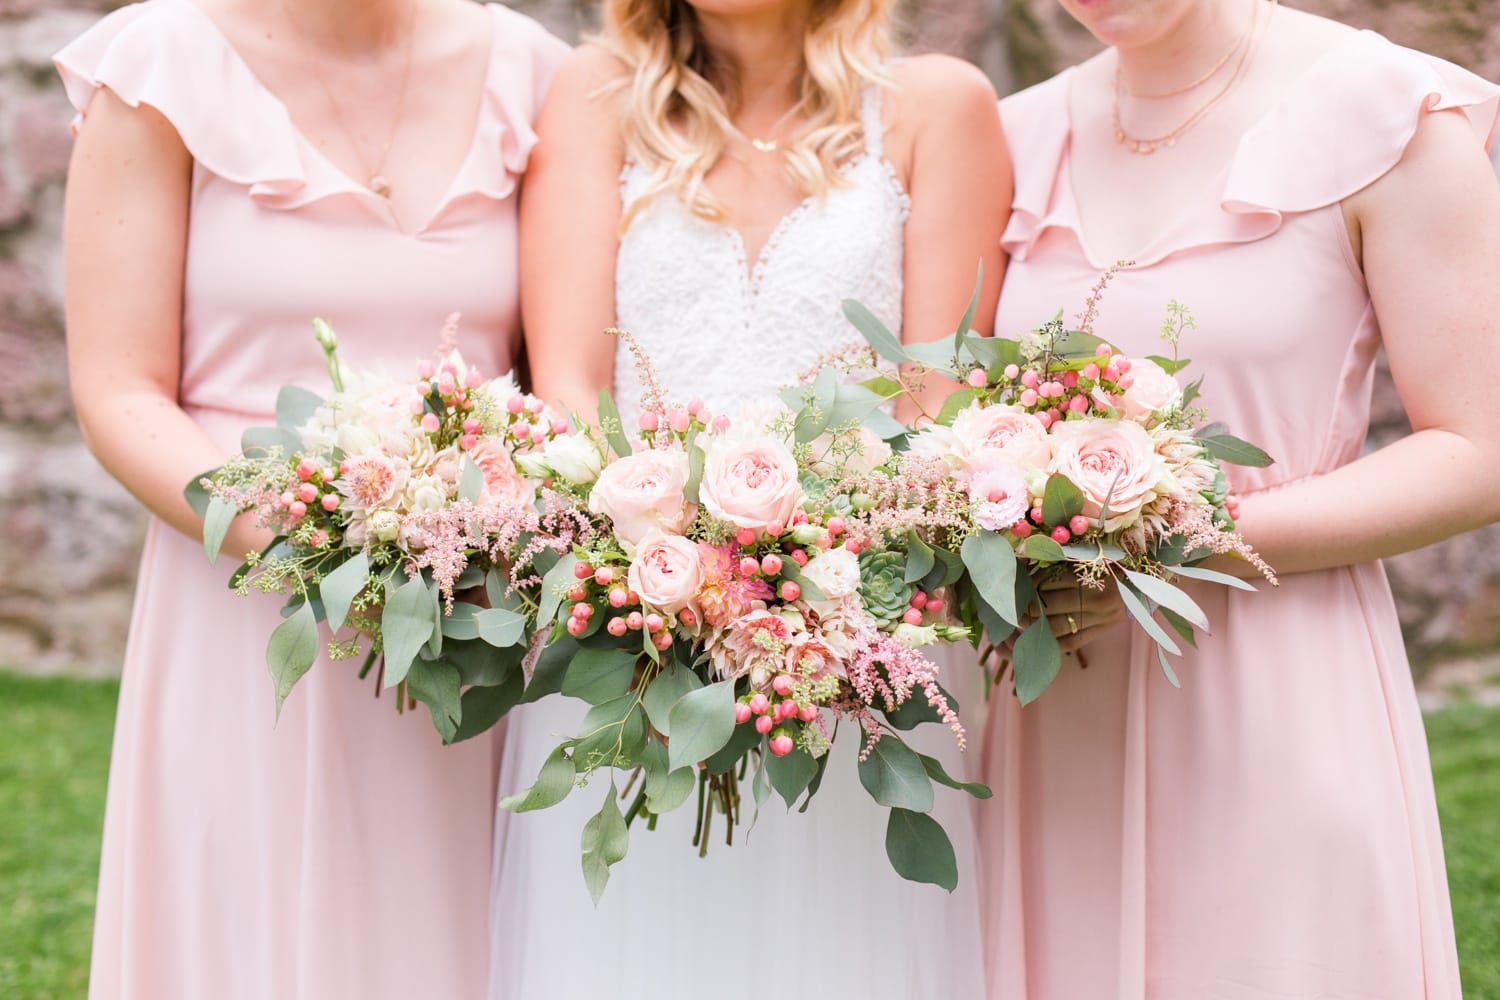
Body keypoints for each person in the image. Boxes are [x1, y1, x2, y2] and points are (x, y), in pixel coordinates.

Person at [488, 0, 1009, 994]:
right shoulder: (595, 98)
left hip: (851, 632)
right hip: (634, 614)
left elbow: (936, 402)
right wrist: (661, 573)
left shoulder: (936, 109)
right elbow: (567, 387)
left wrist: (810, 589)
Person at [981, 0, 1500, 996]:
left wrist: (1173, 541)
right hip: (1057, 697)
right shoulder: (1017, 134)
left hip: (1274, 678)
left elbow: (1476, 450)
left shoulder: (1387, 116)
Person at [56, 1, 566, 996]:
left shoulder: (534, 73)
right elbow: (118, 389)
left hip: (473, 613)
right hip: (243, 604)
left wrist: (469, 526)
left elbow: (561, 375)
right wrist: (313, 540)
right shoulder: (163, 64)